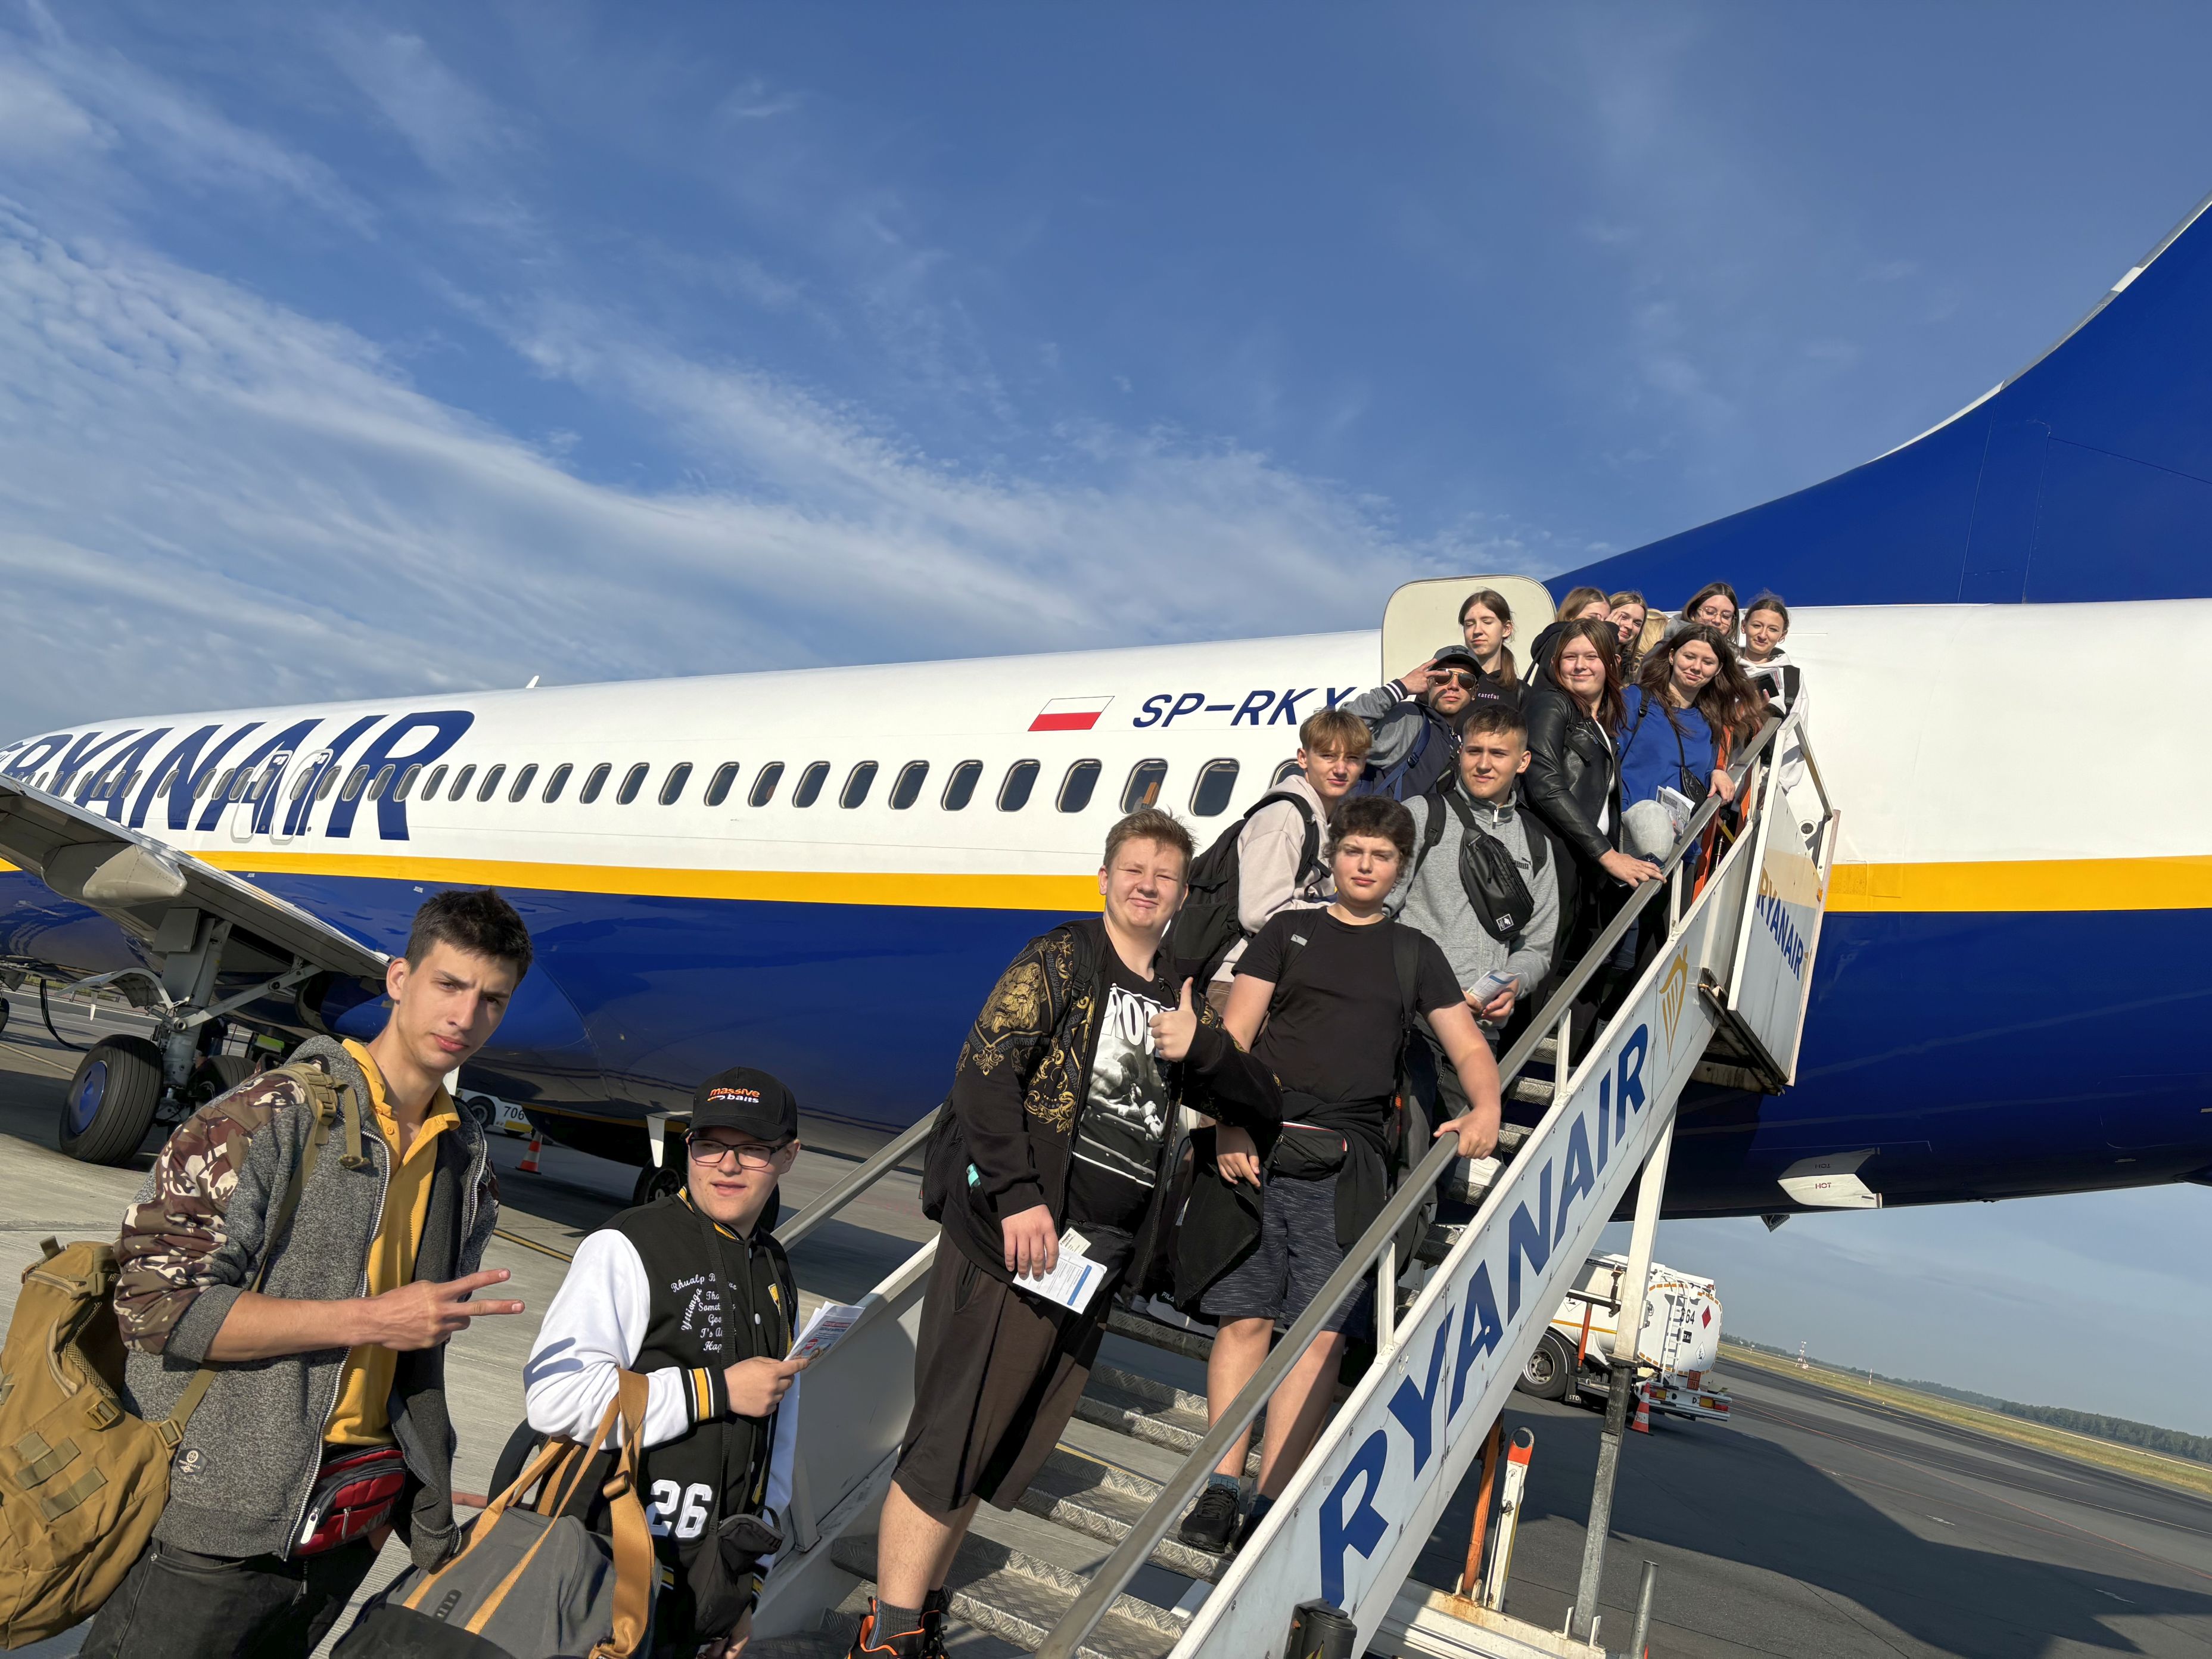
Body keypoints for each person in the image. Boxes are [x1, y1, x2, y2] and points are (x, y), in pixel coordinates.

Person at [850, 811, 1280, 1659]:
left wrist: (1202, 1048)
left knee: (987, 1450)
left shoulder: (1178, 992)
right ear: (1105, 877)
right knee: (947, 1441)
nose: (1147, 884)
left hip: (1087, 1265)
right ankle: (887, 1636)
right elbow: (985, 1071)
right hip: (1011, 1242)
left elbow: (1260, 1096)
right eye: (1134, 868)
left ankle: (920, 1621)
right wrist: (1017, 1197)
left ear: (1182, 895)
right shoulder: (1062, 957)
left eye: (1164, 875)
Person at [86, 891, 530, 1659]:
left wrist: (415, 1491)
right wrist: (374, 1318)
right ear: (400, 979)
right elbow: (156, 1308)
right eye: (449, 985)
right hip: (215, 1519)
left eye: (491, 999)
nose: (466, 1015)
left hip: (345, 1519)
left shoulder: (465, 1161)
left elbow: (412, 1366)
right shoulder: (270, 1114)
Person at [1174, 795, 1502, 1556]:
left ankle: (1269, 1500)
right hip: (1257, 1148)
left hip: (1348, 1167)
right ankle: (1221, 1486)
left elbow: (1467, 1045)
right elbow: (1235, 1037)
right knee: (1244, 1319)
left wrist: (1485, 1105)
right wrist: (1227, 1122)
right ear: (1334, 857)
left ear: (1400, 868)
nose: (1364, 865)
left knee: (1319, 1337)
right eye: (1353, 850)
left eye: (1380, 856)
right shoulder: (1286, 932)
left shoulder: (1414, 952)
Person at [522, 1067, 808, 1658]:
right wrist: (715, 1391)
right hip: (601, 1574)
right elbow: (555, 1397)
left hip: (704, 1588)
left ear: (788, 1156)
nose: (726, 1165)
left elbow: (774, 1449)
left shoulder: (774, 1266)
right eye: (710, 1144)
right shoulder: (628, 1245)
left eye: (753, 1149)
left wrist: (745, 1589)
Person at [1392, 706, 1563, 1118]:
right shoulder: (1422, 815)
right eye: (1474, 751)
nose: (1483, 764)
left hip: (1479, 1032)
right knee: (1409, 1148)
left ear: (1523, 761)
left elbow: (1536, 947)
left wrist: (1513, 984)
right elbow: (1379, 910)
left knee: (1458, 1148)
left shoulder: (1536, 845)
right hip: (1411, 1021)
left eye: (1498, 753)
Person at [1201, 707, 1367, 1013]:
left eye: (1352, 758)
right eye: (1328, 756)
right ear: (1303, 758)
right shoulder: (1285, 816)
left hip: (1282, 978)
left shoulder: (1324, 820)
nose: (1341, 769)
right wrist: (1341, 914)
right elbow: (1260, 913)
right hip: (1244, 983)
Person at [1522, 621, 1662, 968]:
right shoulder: (1552, 704)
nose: (1579, 665)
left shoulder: (1600, 721)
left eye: (1591, 656)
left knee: (1560, 968)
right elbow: (1544, 784)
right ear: (1556, 665)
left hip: (1580, 861)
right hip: (1549, 856)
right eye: (1570, 657)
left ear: (1612, 663)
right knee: (1535, 967)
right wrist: (1608, 855)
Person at [1615, 623, 1754, 864]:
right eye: (1689, 657)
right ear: (1672, 656)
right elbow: (1608, 761)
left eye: (1707, 662)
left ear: (1718, 669)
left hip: (1682, 848)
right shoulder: (1637, 700)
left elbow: (1699, 774)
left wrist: (1717, 773)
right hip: (1630, 841)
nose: (1696, 667)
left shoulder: (1709, 721)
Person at [1343, 642, 1489, 800]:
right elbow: (1341, 729)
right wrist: (1402, 687)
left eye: (1466, 680)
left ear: (1474, 691)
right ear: (1428, 683)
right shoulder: (1409, 719)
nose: (1453, 686)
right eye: (1442, 677)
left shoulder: (1459, 739)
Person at [1522, 586, 1613, 696]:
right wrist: (1612, 633)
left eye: (1605, 620)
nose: (1600, 625)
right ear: (1571, 616)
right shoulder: (1560, 640)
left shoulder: (1554, 638)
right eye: (1593, 618)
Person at [1457, 588, 1521, 705]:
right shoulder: (1447, 684)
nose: (1477, 631)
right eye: (1469, 624)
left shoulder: (1522, 694)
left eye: (1487, 622)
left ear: (1507, 629)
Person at [1671, 580, 1740, 640]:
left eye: (1726, 616)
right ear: (1693, 613)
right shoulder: (1668, 646)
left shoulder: (1733, 652)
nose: (1717, 621)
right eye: (1709, 612)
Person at [1606, 591, 1650, 676]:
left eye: (1637, 623)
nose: (1630, 626)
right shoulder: (1583, 649)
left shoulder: (1638, 666)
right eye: (1624, 617)